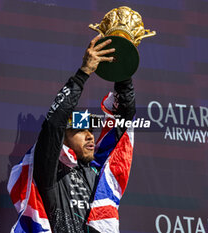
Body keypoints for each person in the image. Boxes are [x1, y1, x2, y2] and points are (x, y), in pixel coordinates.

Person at [32, 34, 136, 233]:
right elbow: (54, 125)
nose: (90, 136)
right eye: (80, 130)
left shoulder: (100, 173)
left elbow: (124, 121)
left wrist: (122, 69)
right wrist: (84, 73)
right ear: (62, 140)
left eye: (91, 130)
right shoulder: (51, 174)